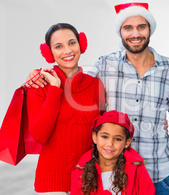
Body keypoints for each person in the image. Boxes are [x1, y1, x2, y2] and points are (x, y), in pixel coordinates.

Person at [27, 3, 169, 194]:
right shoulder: (105, 65)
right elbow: (75, 81)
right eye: (128, 28)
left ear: (150, 29)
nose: (135, 34)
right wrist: (39, 74)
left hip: (159, 172)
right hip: (117, 175)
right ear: (120, 32)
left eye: (141, 27)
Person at [26, 23, 106, 194]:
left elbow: (102, 131)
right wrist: (55, 89)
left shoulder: (96, 85)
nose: (67, 50)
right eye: (58, 46)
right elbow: (40, 135)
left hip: (88, 180)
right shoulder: (39, 86)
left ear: (81, 44)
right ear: (49, 52)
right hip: (52, 183)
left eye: (72, 43)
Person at [70, 110, 155, 195]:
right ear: (95, 137)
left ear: (127, 142)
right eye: (105, 137)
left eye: (117, 139)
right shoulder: (80, 173)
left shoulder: (137, 170)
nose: (110, 144)